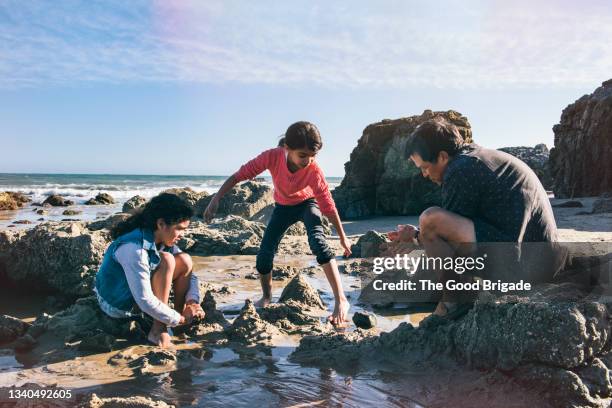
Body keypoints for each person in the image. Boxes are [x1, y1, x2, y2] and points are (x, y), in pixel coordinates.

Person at [388, 118, 559, 317]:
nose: (424, 175)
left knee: (430, 219)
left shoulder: (461, 169)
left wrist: (419, 236)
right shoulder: (475, 158)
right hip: (542, 259)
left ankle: (455, 303)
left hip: (526, 267)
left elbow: (445, 238)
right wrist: (417, 236)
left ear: (442, 156)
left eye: (424, 167)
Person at [204, 121, 352, 325]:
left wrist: (343, 238)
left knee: (318, 241)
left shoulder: (314, 171)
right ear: (287, 149)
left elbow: (327, 205)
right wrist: (216, 198)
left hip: (307, 204)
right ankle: (266, 297)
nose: (308, 161)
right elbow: (240, 175)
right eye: (303, 155)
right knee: (264, 255)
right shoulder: (272, 156)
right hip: (282, 207)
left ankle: (341, 300)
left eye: (313, 156)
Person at [94, 193, 205, 348]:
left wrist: (192, 302)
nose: (182, 235)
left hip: (137, 295)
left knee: (184, 259)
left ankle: (177, 324)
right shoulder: (133, 248)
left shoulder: (161, 237)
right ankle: (159, 329)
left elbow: (189, 274)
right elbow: (145, 300)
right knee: (166, 260)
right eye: (179, 229)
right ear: (161, 224)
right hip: (117, 304)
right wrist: (178, 318)